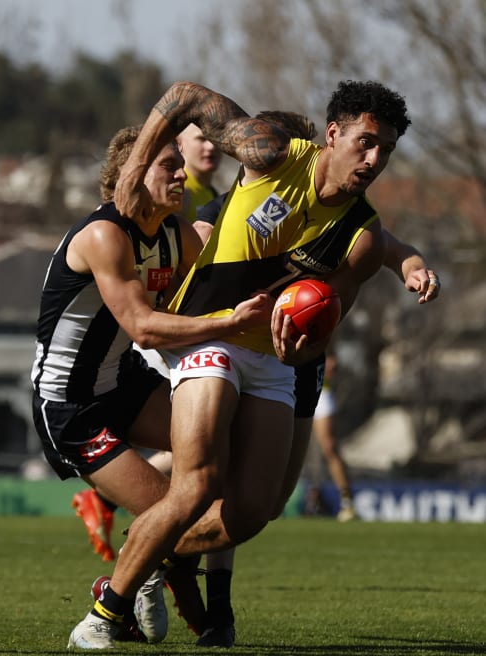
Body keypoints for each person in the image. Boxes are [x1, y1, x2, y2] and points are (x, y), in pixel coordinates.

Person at [68, 79, 416, 650]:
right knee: (198, 482)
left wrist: (301, 339)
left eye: (386, 151)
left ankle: (150, 553)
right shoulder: (271, 150)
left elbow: (324, 327)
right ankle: (104, 615)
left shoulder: (363, 239)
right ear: (334, 133)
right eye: (366, 142)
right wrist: (134, 167)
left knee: (255, 510)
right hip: (207, 333)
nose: (374, 159)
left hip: (270, 362)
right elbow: (183, 95)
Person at [31, 124, 275, 647]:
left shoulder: (176, 232)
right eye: (170, 164)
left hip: (126, 383)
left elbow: (210, 288)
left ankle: (171, 591)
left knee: (219, 460)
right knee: (176, 509)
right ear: (132, 174)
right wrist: (229, 322)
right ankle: (111, 604)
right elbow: (143, 327)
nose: (182, 173)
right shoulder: (104, 236)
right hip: (71, 407)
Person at [305, 352, 358, 521]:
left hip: (321, 392)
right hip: (291, 388)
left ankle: (347, 501)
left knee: (328, 446)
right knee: (298, 447)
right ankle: (311, 495)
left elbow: (331, 361)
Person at [176, 123, 221, 237]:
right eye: (202, 139)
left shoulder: (213, 193)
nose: (211, 146)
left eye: (217, 139)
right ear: (179, 142)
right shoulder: (178, 193)